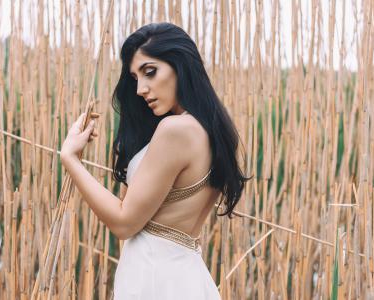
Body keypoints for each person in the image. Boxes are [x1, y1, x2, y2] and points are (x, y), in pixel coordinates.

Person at [60, 22, 249, 300]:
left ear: (181, 65)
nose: (140, 89)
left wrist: (70, 159)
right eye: (136, 78)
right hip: (181, 275)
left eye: (150, 72)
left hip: (156, 279)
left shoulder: (176, 130)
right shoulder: (208, 129)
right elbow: (131, 203)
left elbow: (124, 223)